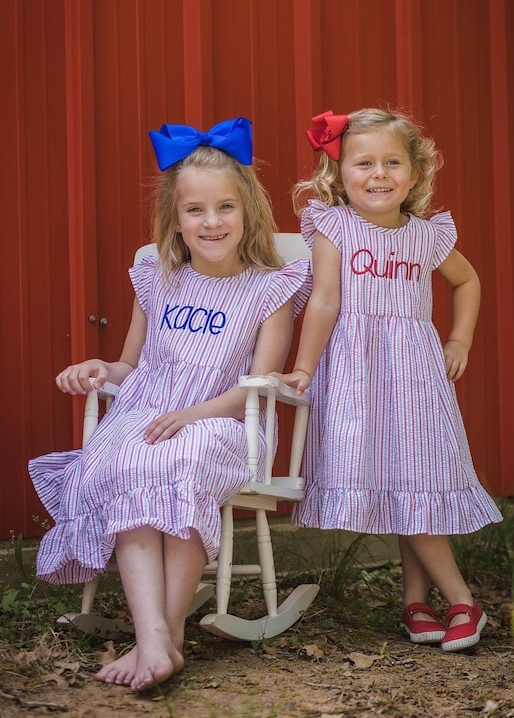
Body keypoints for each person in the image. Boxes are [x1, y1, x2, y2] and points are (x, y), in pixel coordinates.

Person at [29, 117, 311, 690]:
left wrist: (194, 414)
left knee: (181, 460)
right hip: (146, 414)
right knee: (130, 461)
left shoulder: (271, 288)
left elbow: (257, 388)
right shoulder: (158, 277)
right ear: (175, 219)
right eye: (196, 211)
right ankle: (155, 637)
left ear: (247, 211)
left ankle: (165, 636)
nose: (212, 222)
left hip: (225, 422)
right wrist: (99, 370)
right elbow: (129, 364)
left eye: (225, 208)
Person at [276, 107, 502, 653]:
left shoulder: (426, 236)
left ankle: (460, 601)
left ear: (414, 174)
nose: (378, 174)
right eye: (364, 163)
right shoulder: (335, 228)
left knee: (415, 481)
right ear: (339, 174)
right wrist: (305, 366)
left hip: (416, 378)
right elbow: (325, 302)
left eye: (392, 162)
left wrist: (459, 340)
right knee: (401, 484)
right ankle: (418, 604)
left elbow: (467, 281)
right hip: (357, 376)